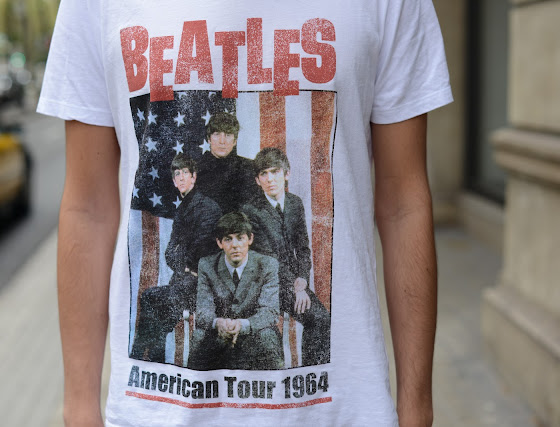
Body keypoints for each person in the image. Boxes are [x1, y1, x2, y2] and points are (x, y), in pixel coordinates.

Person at [39, 1, 452, 425]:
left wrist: (416, 408)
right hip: (169, 376)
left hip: (325, 389)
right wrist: (80, 407)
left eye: (228, 135)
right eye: (215, 135)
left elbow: (403, 204)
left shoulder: (257, 182)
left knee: (316, 320)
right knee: (156, 305)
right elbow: (88, 209)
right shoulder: (95, 9)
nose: (221, 141)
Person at [241, 147, 330, 366]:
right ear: (257, 180)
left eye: (275, 171)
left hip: (293, 283)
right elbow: (268, 258)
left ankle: (311, 372)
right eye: (264, 174)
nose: (270, 179)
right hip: (264, 285)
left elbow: (303, 248)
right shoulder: (251, 210)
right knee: (266, 335)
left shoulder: (295, 203)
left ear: (286, 173)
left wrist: (302, 279)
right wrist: (295, 287)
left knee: (321, 319)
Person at [131, 153, 221, 362]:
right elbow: (170, 253)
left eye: (185, 173)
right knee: (155, 306)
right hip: (184, 280)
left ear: (194, 177)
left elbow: (201, 250)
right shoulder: (182, 209)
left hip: (202, 286)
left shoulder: (207, 207)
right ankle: (152, 358)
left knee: (152, 299)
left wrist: (186, 262)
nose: (181, 178)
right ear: (173, 181)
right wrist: (185, 266)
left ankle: (142, 356)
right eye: (177, 174)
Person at [188, 212, 283, 370]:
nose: (235, 245)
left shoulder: (268, 265)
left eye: (240, 238)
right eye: (228, 239)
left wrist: (242, 325)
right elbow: (203, 310)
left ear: (250, 239)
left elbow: (270, 311)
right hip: (220, 334)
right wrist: (218, 323)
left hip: (253, 334)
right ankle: (195, 383)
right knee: (199, 335)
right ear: (219, 243)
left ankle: (274, 384)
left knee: (268, 336)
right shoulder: (206, 265)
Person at [195, 112, 259, 214]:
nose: (222, 141)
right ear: (209, 139)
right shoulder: (195, 169)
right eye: (217, 134)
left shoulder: (249, 167)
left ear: (235, 141)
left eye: (228, 135)